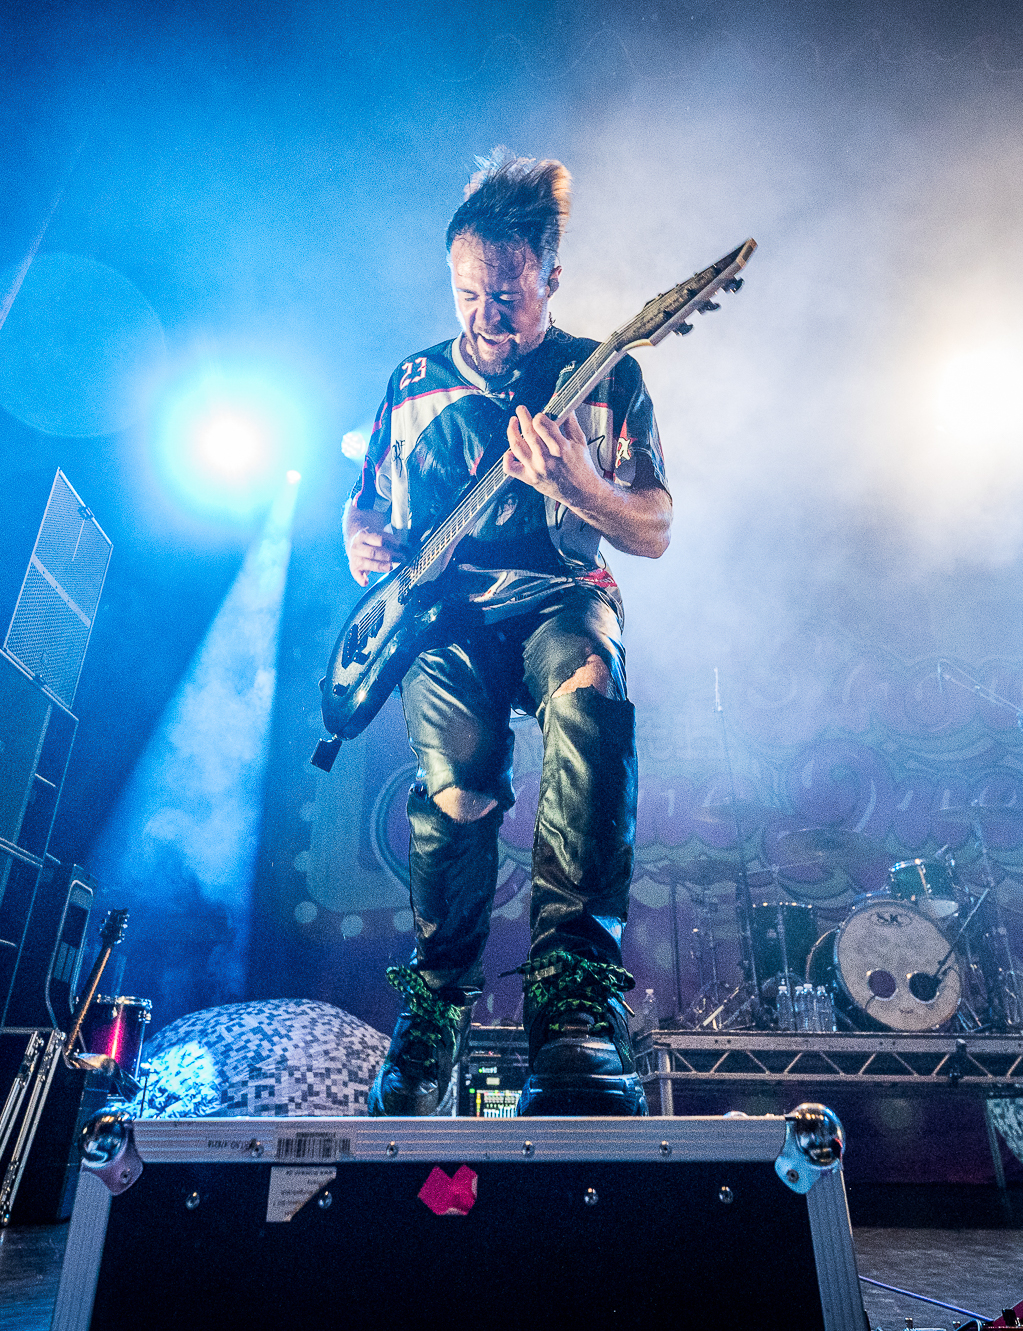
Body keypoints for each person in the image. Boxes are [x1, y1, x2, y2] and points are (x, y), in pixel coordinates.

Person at [343, 149, 672, 1116]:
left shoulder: (606, 374)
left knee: (589, 691)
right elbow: (365, 506)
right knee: (459, 788)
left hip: (561, 592)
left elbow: (654, 526)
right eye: (468, 294)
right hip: (446, 615)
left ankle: (573, 1003)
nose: (486, 316)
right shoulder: (410, 380)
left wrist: (581, 485)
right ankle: (434, 1010)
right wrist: (358, 537)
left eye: (508, 296)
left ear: (551, 279)